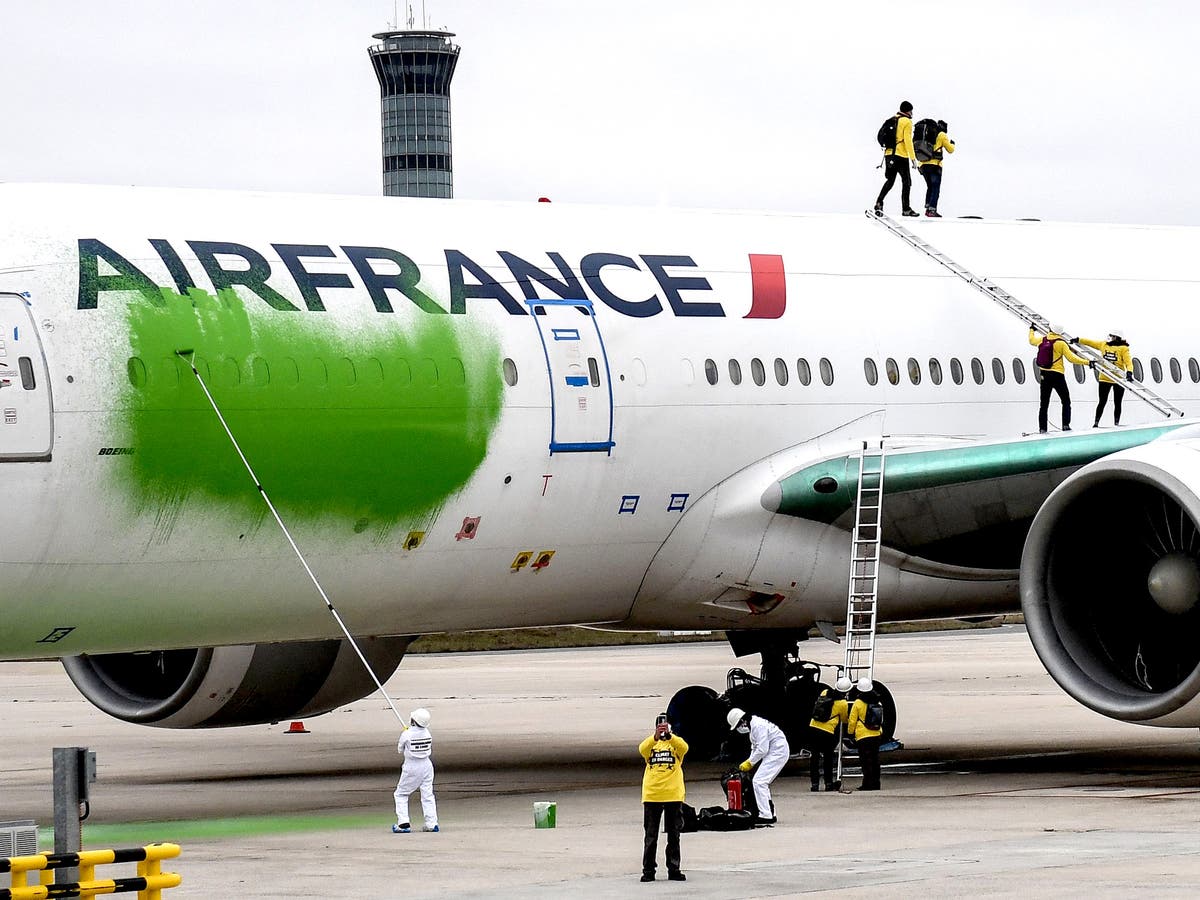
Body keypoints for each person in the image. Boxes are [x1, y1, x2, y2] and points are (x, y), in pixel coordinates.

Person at [639, 712, 688, 883]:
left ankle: (674, 869)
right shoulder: (651, 744)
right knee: (650, 835)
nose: (663, 729)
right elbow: (642, 749)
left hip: (673, 794)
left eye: (665, 726)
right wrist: (655, 737)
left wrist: (670, 736)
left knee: (674, 834)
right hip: (653, 795)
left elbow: (684, 748)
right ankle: (648, 870)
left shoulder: (675, 744)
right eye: (660, 726)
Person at [727, 707, 790, 824]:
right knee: (761, 782)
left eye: (738, 726)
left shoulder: (758, 726)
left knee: (759, 782)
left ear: (742, 721)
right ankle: (769, 812)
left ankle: (766, 815)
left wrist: (750, 763)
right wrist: (749, 761)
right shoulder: (753, 726)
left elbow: (762, 749)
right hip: (774, 751)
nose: (739, 729)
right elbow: (755, 747)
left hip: (778, 752)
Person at [1029, 324, 1090, 433]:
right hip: (1057, 375)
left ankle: (1042, 428)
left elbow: (1031, 340)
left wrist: (1032, 330)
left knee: (1044, 404)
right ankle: (1065, 425)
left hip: (1044, 374)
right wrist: (1087, 362)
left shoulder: (1043, 340)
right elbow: (1071, 359)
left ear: (1050, 329)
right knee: (1066, 401)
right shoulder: (1061, 343)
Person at [392, 707, 439, 834]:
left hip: (412, 766)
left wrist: (406, 734)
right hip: (427, 765)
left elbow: (400, 749)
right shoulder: (427, 733)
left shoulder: (407, 734)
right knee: (427, 794)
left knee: (401, 794)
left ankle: (403, 823)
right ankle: (432, 823)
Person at [1079, 327, 1134, 426]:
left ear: (1116, 337)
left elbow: (1128, 362)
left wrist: (1129, 372)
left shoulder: (1123, 348)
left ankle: (1116, 423)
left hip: (1118, 379)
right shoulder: (1103, 344)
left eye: (1112, 336)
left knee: (1118, 402)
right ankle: (1096, 423)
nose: (1110, 337)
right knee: (1102, 401)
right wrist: (1078, 339)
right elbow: (1090, 342)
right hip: (1105, 378)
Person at [806, 676, 852, 792]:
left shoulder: (825, 692)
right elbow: (844, 719)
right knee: (828, 759)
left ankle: (814, 784)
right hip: (827, 732)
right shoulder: (842, 703)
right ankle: (828, 783)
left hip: (814, 727)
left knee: (814, 757)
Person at [874, 101, 919, 217]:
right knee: (907, 182)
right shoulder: (907, 122)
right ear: (908, 111)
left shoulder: (892, 119)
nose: (912, 113)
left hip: (889, 154)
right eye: (911, 111)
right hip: (901, 155)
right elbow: (908, 141)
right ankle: (906, 209)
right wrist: (913, 158)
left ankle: (879, 202)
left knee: (890, 181)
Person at [847, 678, 884, 791]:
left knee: (866, 761)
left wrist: (850, 733)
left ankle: (867, 784)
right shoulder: (876, 701)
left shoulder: (858, 703)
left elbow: (852, 720)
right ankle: (876, 783)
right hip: (876, 734)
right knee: (875, 760)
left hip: (863, 735)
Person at [919, 119, 955, 217]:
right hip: (935, 165)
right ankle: (932, 210)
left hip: (923, 165)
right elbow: (950, 150)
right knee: (935, 188)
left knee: (930, 186)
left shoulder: (926, 133)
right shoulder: (942, 135)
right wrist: (953, 144)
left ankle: (928, 207)